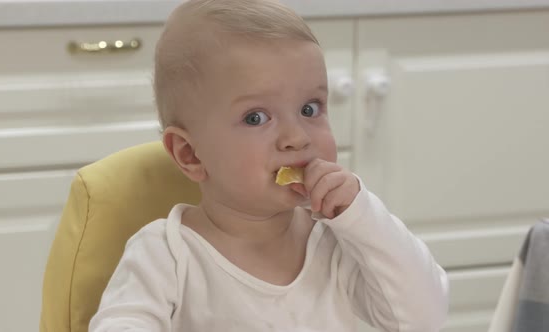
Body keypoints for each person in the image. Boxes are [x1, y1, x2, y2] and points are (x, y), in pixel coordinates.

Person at [89, 0, 449, 331]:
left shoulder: (336, 242)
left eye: (310, 108)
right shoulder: (166, 254)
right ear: (190, 154)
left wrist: (361, 215)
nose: (297, 137)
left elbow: (424, 319)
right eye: (256, 117)